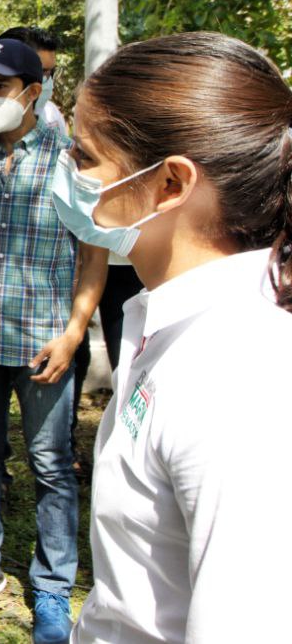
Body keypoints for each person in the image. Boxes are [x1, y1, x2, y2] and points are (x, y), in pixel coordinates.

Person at [63, 33, 292, 642]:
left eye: (83, 157)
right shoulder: (171, 325)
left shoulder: (238, 378)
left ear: (169, 184)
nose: (67, 176)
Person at [0, 39, 107, 644]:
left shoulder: (69, 160)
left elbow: (94, 256)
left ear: (32, 93)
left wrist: (73, 333)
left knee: (50, 467)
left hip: (45, 345)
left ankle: (51, 588)